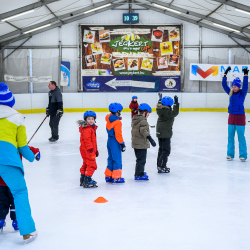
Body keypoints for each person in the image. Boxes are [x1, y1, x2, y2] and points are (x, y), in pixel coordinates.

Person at [0, 82, 38, 244]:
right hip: (7, 160)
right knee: (19, 192)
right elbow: (22, 146)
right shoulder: (17, 118)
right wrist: (32, 156)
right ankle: (27, 232)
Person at [0, 146, 40, 233]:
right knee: (15, 201)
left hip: (1, 179)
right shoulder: (15, 143)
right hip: (14, 180)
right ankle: (16, 221)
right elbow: (25, 148)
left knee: (2, 201)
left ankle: (1, 219)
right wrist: (36, 151)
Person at [222, 67, 248, 161]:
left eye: (236, 87)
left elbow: (245, 85)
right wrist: (225, 74)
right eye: (233, 86)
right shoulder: (230, 93)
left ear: (239, 87)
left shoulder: (242, 93)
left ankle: (243, 155)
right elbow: (224, 85)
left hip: (240, 117)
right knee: (230, 137)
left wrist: (245, 75)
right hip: (231, 117)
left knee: (241, 137)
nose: (234, 88)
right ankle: (230, 154)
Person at [131, 103, 156, 180]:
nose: (148, 115)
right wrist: (151, 139)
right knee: (142, 160)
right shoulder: (143, 121)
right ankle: (139, 175)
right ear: (144, 113)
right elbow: (144, 131)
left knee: (139, 159)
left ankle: (138, 172)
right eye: (148, 114)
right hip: (141, 144)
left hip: (136, 143)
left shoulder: (135, 119)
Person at [156, 94, 179, 173]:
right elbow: (175, 112)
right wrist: (176, 103)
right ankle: (162, 166)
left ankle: (159, 165)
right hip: (165, 133)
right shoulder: (168, 113)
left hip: (160, 132)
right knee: (166, 150)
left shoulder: (159, 110)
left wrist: (160, 99)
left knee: (161, 149)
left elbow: (160, 105)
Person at [105, 103, 126, 184]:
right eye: (119, 111)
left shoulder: (109, 119)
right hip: (115, 142)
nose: (120, 113)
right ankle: (116, 177)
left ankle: (108, 176)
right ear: (116, 111)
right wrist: (122, 144)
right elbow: (118, 135)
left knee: (110, 158)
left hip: (109, 141)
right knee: (117, 159)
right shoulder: (117, 122)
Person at [77, 111, 98, 188]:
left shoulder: (91, 128)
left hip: (85, 150)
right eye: (89, 119)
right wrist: (91, 151)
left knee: (86, 164)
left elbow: (93, 142)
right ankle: (87, 179)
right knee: (92, 164)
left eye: (92, 119)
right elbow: (87, 141)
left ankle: (82, 178)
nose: (91, 120)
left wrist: (96, 150)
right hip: (87, 150)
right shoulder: (87, 129)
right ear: (85, 120)